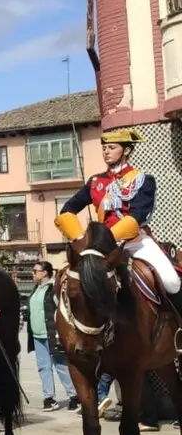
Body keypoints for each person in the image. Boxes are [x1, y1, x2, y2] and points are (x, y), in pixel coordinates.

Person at [56, 127, 182, 314]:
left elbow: (138, 216)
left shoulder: (142, 180)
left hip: (134, 242)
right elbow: (67, 210)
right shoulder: (95, 181)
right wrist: (80, 237)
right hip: (100, 247)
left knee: (171, 280)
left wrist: (109, 237)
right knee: (66, 280)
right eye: (104, 148)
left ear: (127, 151)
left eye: (112, 147)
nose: (106, 151)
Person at [26, 261, 79, 411]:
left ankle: (74, 396)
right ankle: (49, 397)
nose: (33, 273)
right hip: (37, 335)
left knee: (61, 366)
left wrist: (60, 332)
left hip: (52, 334)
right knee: (43, 367)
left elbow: (63, 310)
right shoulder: (36, 289)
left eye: (35, 271)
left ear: (44, 273)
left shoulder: (53, 290)